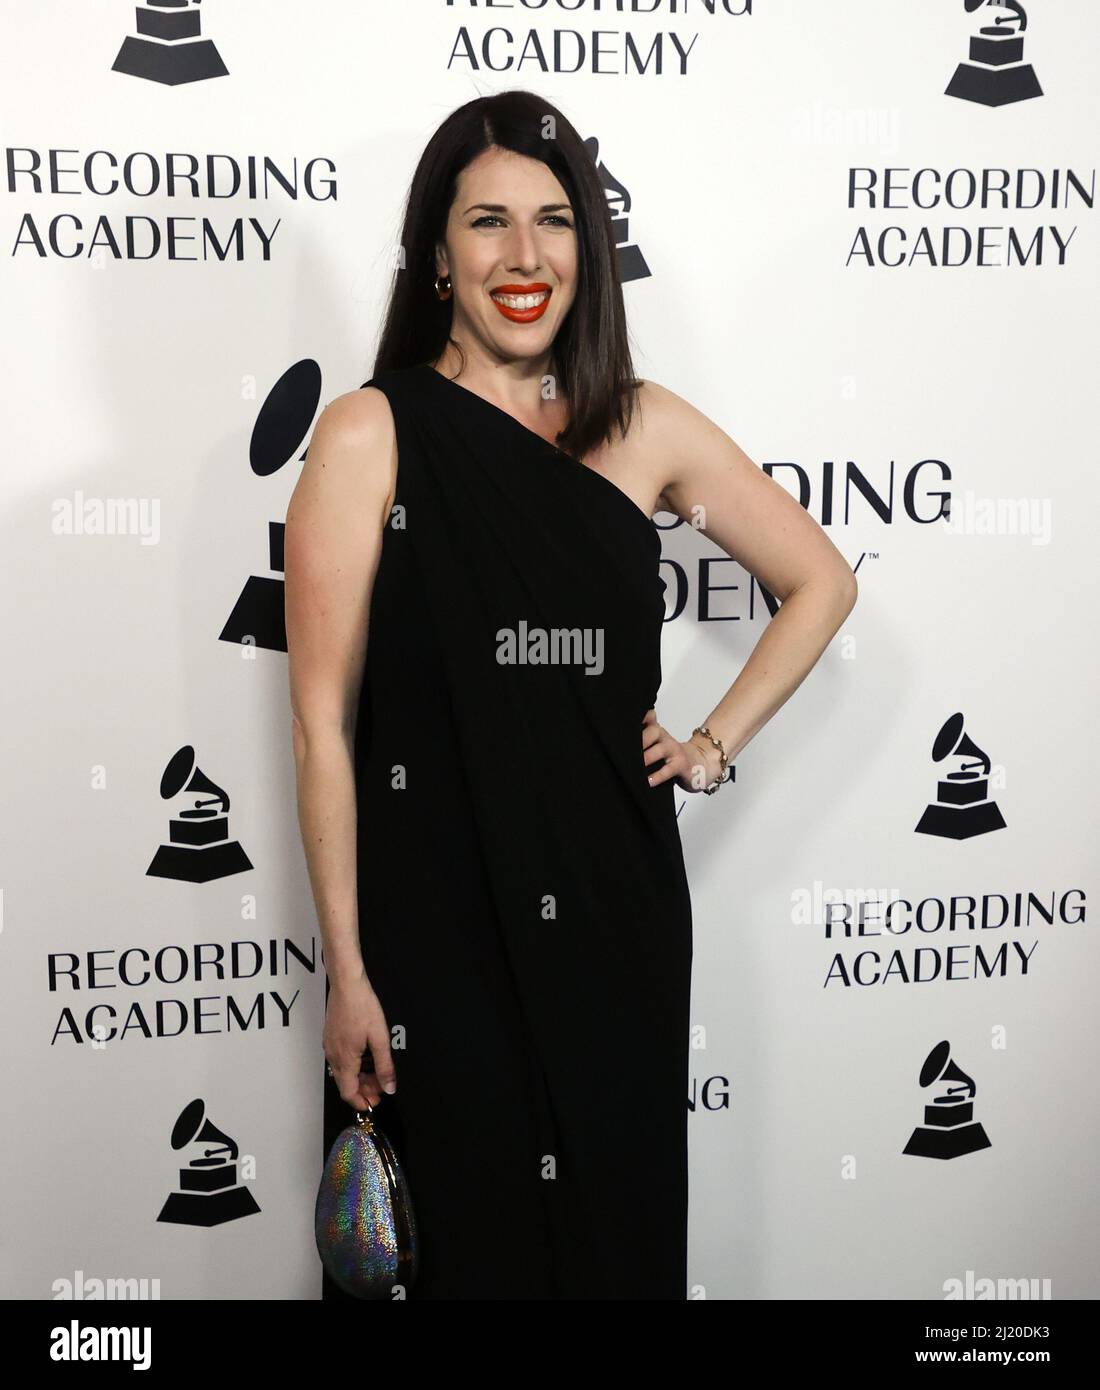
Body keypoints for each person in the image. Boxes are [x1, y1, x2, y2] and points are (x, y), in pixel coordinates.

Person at [284, 89, 857, 1301]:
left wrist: (708, 742)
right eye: (486, 221)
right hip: (435, 939)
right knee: (464, 1253)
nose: (524, 256)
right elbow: (325, 727)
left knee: (612, 1244)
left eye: (554, 222)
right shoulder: (368, 437)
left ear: (588, 253)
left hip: (615, 925)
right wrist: (347, 968)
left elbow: (816, 580)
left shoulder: (638, 428)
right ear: (437, 254)